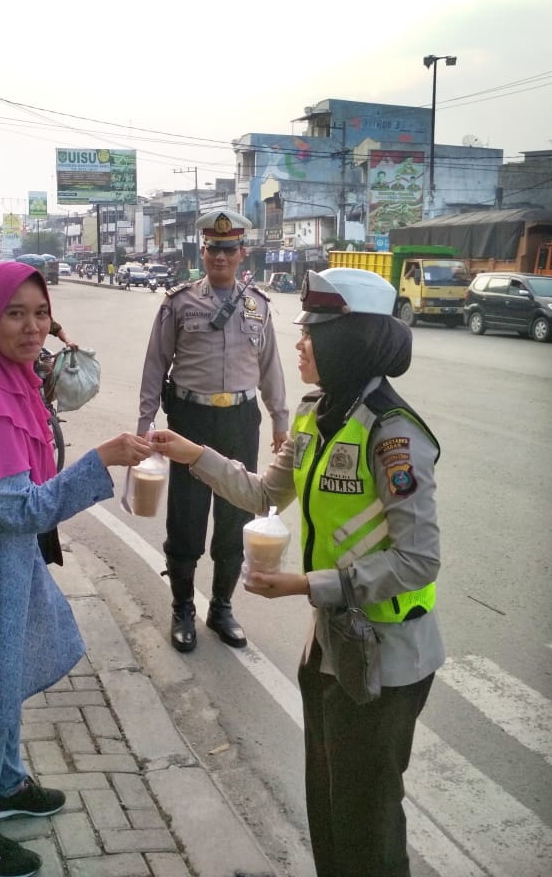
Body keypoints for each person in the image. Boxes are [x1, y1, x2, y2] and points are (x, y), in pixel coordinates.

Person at [150, 267, 444, 877]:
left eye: (313, 331)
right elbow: (262, 495)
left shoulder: (393, 434)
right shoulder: (316, 416)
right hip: (331, 648)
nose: (300, 342)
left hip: (386, 660)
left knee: (368, 822)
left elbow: (418, 561)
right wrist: (191, 452)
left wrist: (307, 585)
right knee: (330, 808)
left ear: (349, 341)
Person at [0, 261, 152, 877]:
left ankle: (8, 786)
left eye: (41, 313)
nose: (32, 326)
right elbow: (20, 508)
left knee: (7, 674)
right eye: (15, 313)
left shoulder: (2, 377)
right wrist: (103, 460)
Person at [138, 210, 288, 653]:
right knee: (186, 516)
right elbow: (154, 365)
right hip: (190, 419)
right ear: (201, 251)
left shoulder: (258, 306)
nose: (220, 256)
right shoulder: (179, 303)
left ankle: (221, 606)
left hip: (240, 421)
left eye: (229, 249)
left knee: (236, 516)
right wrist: (145, 424)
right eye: (212, 248)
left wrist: (280, 420)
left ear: (243, 253)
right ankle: (182, 606)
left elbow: (270, 367)